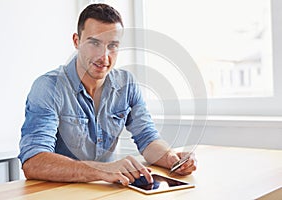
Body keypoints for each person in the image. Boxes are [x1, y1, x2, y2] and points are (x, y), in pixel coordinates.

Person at [18, 3, 196, 186]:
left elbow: (148, 139)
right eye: (94, 43)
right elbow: (33, 161)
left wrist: (171, 159)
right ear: (76, 41)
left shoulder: (126, 85)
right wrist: (102, 170)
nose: (104, 56)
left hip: (105, 189)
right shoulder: (48, 87)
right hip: (59, 192)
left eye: (112, 46)